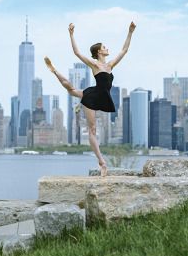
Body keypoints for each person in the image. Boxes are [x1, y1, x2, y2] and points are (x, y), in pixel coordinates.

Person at [44, 21, 136, 177]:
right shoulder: (94, 64)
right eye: (104, 47)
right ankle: (102, 162)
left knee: (72, 90)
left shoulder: (110, 65)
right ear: (99, 51)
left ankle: (54, 71)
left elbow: (124, 50)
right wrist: (71, 34)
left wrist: (130, 32)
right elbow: (77, 52)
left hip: (102, 96)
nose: (107, 48)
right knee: (92, 129)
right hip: (92, 97)